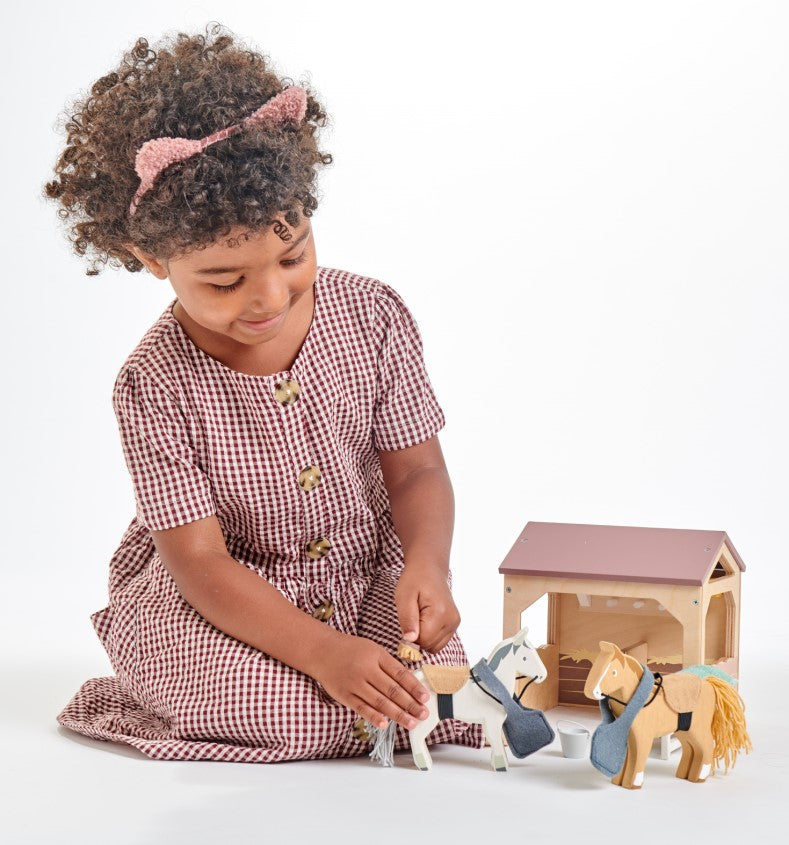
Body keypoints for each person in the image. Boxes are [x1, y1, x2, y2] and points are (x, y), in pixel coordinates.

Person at [45, 25, 483, 762]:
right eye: (224, 281)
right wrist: (322, 653)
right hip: (225, 598)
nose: (269, 297)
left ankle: (372, 693)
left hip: (358, 576)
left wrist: (426, 566)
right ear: (150, 257)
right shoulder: (152, 384)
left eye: (292, 254)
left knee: (424, 689)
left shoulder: (373, 316)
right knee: (301, 714)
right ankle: (148, 693)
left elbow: (416, 471)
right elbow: (200, 564)